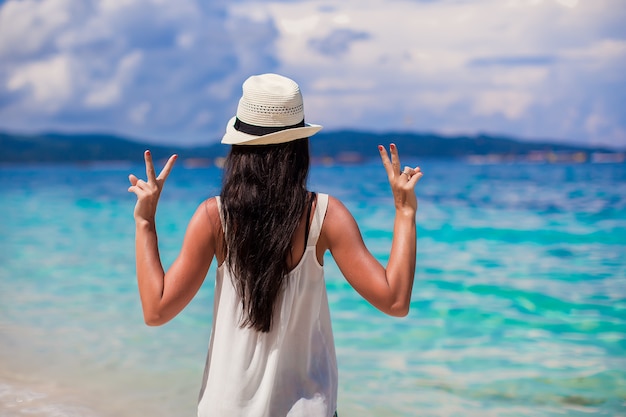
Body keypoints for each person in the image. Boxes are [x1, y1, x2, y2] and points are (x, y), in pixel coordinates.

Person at [128, 73, 423, 417]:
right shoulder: (325, 216)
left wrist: (145, 222)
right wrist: (404, 212)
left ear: (239, 149)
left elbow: (157, 310)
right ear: (299, 148)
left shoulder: (214, 217)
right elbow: (395, 301)